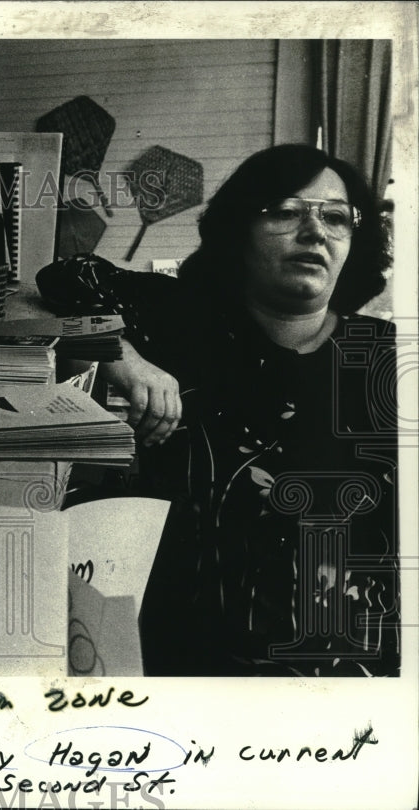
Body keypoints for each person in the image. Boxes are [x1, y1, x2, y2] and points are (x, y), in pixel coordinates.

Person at [63, 144, 399, 676]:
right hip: (189, 662)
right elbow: (66, 280)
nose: (315, 233)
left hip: (354, 673)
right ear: (239, 229)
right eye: (286, 212)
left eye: (336, 218)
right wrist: (119, 357)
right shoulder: (184, 322)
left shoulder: (389, 359)